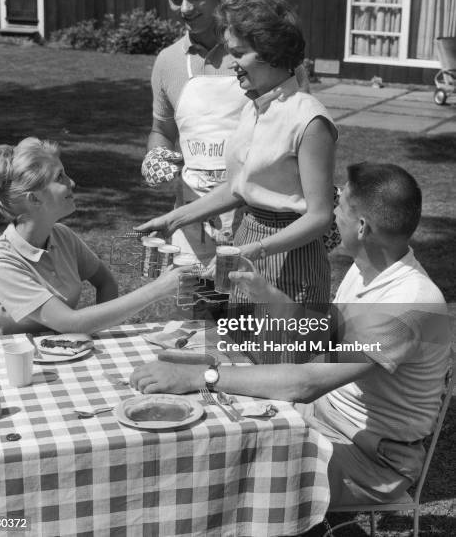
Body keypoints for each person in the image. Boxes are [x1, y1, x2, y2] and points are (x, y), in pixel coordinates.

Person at [130, 162, 451, 506]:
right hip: (321, 417)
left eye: (339, 207)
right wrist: (264, 292)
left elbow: (306, 382)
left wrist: (200, 375)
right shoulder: (369, 270)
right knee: (209, 430)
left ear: (361, 227)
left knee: (226, 470)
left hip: (373, 461)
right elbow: (323, 336)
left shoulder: (409, 303)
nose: (330, 215)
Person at [139, 0, 337, 306]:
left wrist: (255, 250)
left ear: (271, 53)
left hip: (290, 256)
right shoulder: (252, 108)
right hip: (245, 242)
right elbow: (238, 188)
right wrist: (173, 219)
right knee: (242, 349)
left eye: (239, 53)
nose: (230, 63)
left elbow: (320, 217)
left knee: (281, 350)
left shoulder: (309, 120)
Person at [0, 138, 188, 337]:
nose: (73, 182)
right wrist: (158, 289)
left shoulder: (62, 236)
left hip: (66, 360)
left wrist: (97, 333)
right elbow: (70, 323)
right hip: (14, 371)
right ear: (35, 199)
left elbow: (106, 282)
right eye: (60, 177)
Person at [141, 0, 250, 263]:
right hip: (191, 218)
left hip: (255, 220)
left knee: (252, 314)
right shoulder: (168, 62)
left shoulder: (256, 53)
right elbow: (163, 129)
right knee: (194, 313)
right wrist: (156, 155)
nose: (184, 8)